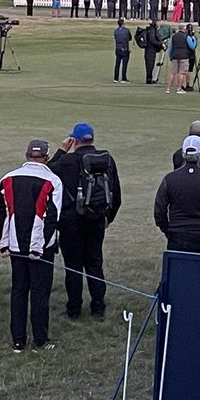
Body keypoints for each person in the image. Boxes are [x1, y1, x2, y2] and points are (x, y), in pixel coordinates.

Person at [0, 139, 63, 352]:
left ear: (27, 156)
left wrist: (4, 243)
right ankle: (40, 340)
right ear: (47, 157)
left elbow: (1, 214)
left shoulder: (7, 178)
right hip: (41, 248)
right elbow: (52, 217)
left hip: (15, 245)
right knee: (40, 293)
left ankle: (18, 340)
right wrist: (40, 247)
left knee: (19, 291)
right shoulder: (53, 180)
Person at [49, 123, 121, 320]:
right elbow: (116, 193)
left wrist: (61, 150)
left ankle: (74, 309)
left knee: (73, 267)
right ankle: (98, 307)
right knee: (95, 264)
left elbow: (47, 172)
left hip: (71, 221)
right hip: (97, 219)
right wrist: (108, 217)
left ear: (75, 140)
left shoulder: (67, 161)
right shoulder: (107, 159)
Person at [154, 135, 200, 253]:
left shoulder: (170, 179)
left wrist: (168, 230)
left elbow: (159, 210)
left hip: (177, 235)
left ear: (183, 154)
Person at [166, 24, 196, 94]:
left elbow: (171, 47)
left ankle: (168, 88)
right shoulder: (187, 36)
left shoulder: (173, 36)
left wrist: (171, 56)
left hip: (175, 55)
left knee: (173, 72)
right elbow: (192, 46)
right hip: (184, 55)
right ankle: (179, 88)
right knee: (181, 73)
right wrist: (194, 40)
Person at [141, 18, 163, 83]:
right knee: (150, 64)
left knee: (150, 64)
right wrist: (161, 44)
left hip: (150, 50)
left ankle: (149, 78)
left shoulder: (152, 29)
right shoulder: (152, 30)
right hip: (150, 50)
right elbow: (153, 41)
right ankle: (149, 79)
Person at [113, 17, 132, 83]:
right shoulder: (127, 30)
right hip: (124, 48)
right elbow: (129, 38)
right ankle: (123, 78)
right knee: (124, 64)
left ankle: (115, 78)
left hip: (118, 48)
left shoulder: (116, 31)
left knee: (117, 64)